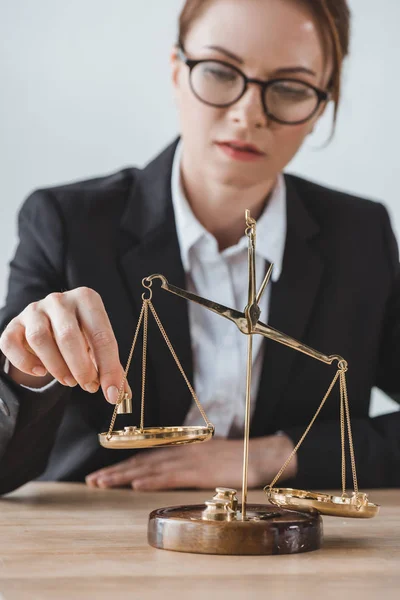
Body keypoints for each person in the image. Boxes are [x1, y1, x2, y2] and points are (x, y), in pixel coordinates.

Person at [0, 0, 399, 496]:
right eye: (218, 72)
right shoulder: (67, 224)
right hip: (104, 544)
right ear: (176, 72)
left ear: (322, 105)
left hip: (293, 552)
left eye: (291, 87)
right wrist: (25, 371)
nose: (248, 114)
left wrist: (279, 455)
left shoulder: (359, 236)